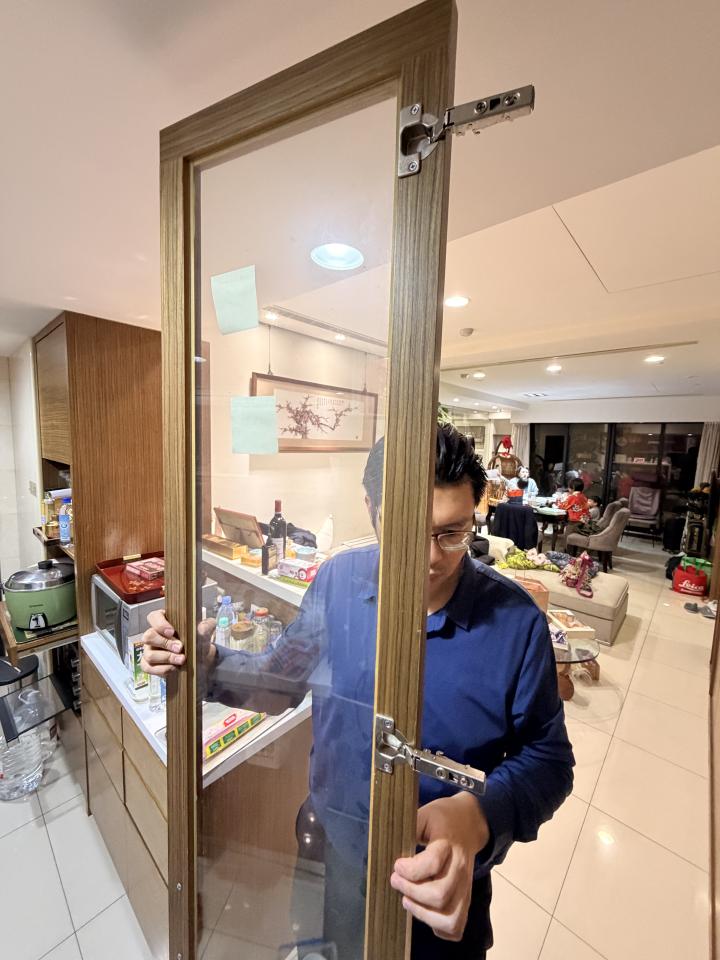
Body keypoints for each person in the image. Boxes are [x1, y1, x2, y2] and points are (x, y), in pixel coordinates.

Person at [142, 423, 574, 959]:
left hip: (439, 872)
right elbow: (280, 680)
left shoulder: (515, 622)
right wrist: (204, 663)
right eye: (405, 529)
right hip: (334, 846)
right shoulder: (337, 581)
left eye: (452, 533)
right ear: (371, 507)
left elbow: (548, 760)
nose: (429, 558)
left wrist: (480, 816)